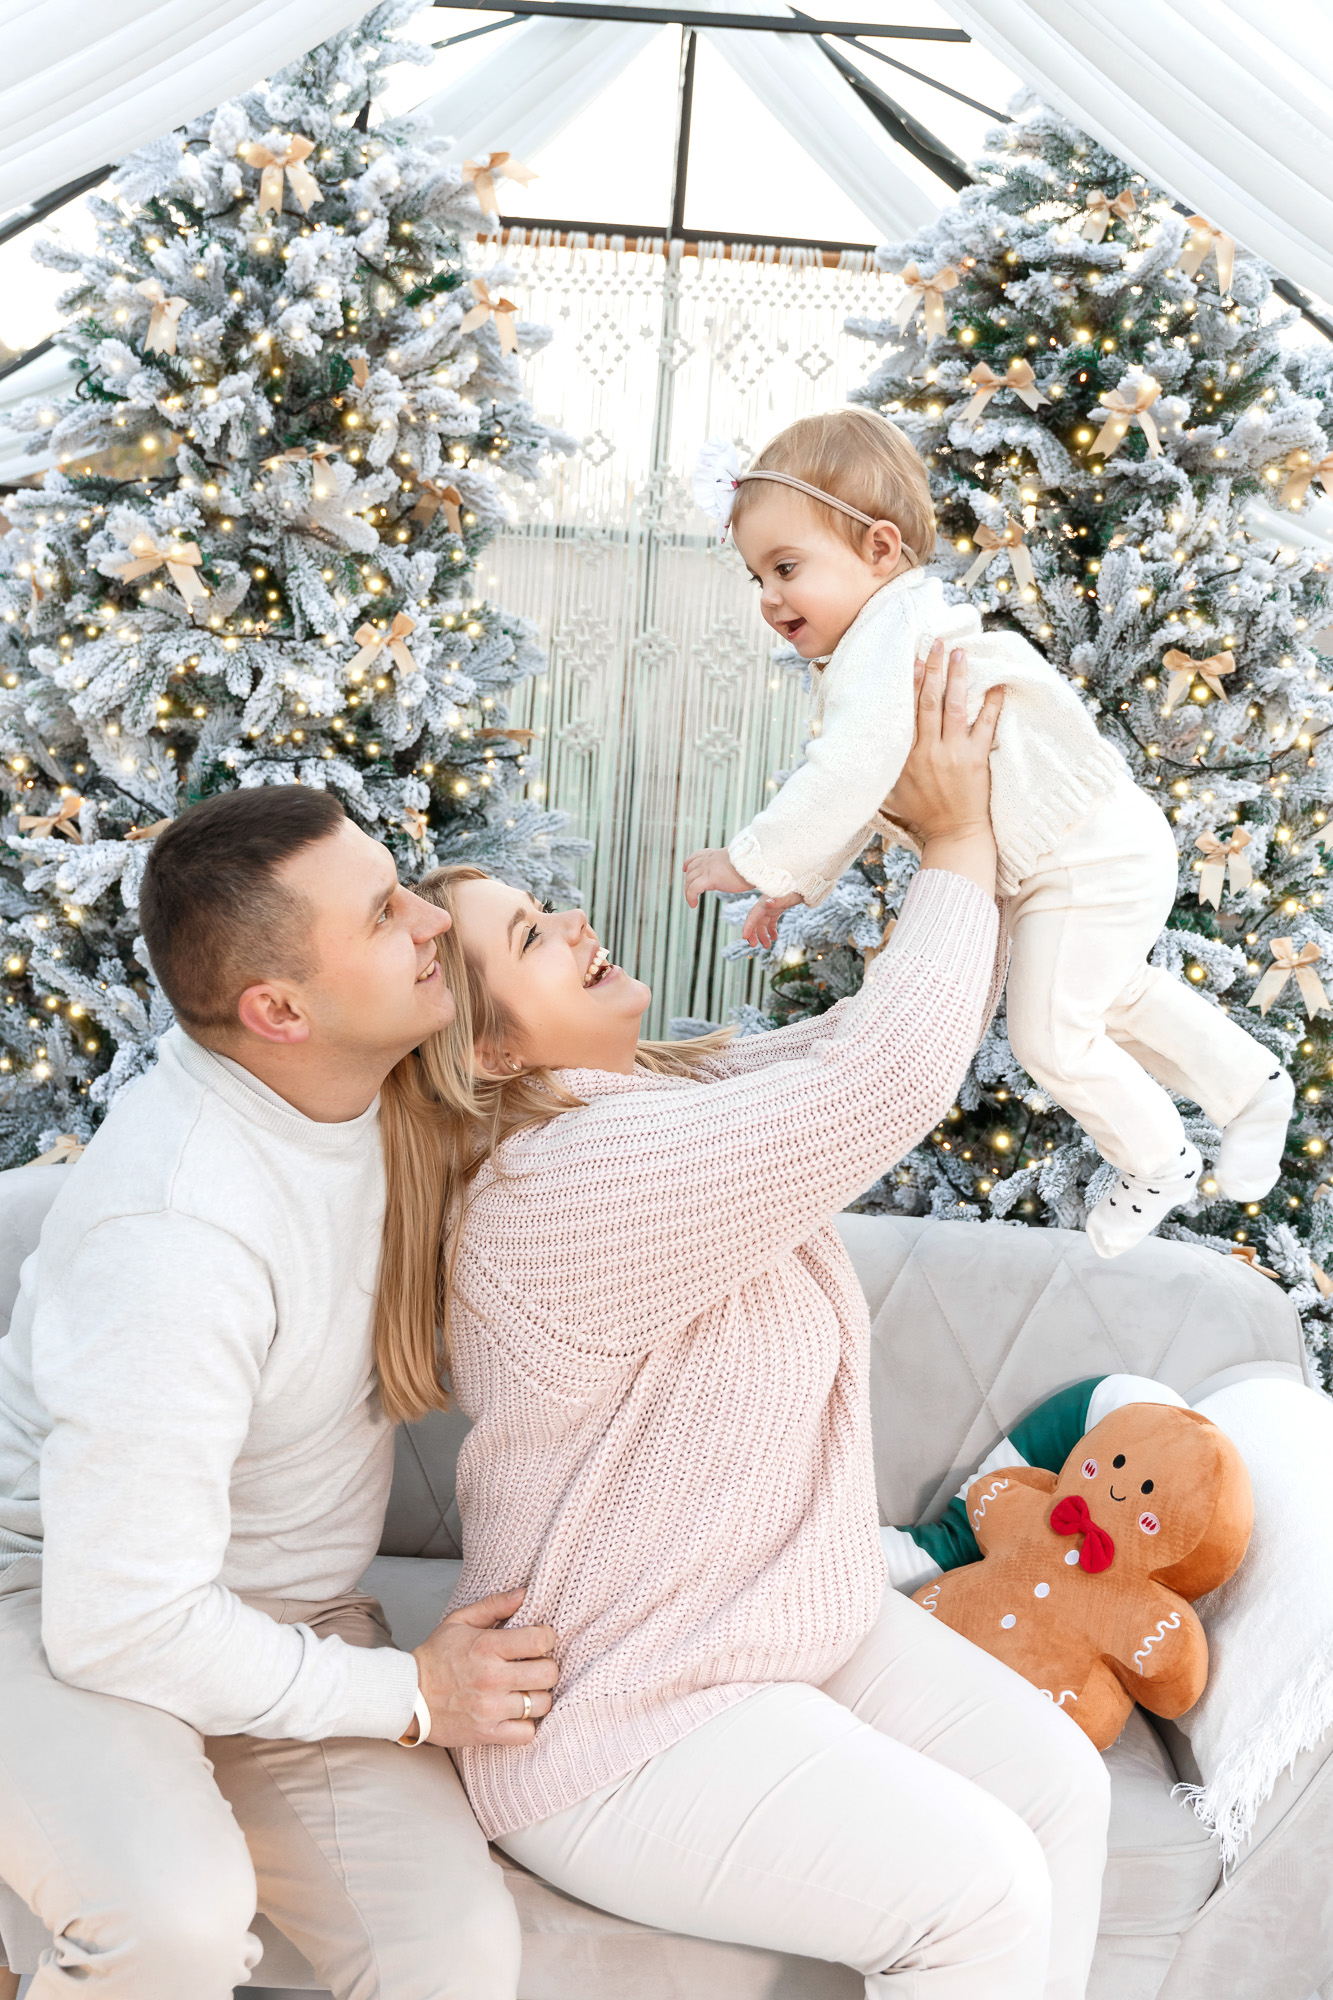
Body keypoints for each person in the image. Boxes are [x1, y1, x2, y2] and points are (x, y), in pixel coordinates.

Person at [379, 644, 1111, 1999]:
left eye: (545, 911)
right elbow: (883, 1082)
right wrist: (952, 840)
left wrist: (954, 831)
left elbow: (865, 1040)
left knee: (1061, 1789)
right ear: (490, 1049)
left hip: (769, 1622)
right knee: (981, 1894)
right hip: (624, 1713)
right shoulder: (557, 1189)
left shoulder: (657, 1105)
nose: (575, 923)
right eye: (531, 938)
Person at [0, 786, 558, 1999]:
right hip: (55, 1602)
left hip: (291, 1612)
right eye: (385, 914)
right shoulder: (177, 1230)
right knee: (173, 1920)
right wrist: (413, 1693)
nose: (431, 920)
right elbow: (121, 1622)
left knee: (450, 1950)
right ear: (279, 1010)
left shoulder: (377, 1088)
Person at [683, 410, 1291, 1258]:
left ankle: (1158, 1161)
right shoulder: (887, 634)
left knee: (1048, 1036)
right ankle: (1250, 1088)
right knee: (1107, 999)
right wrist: (796, 882)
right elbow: (869, 786)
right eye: (756, 576)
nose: (769, 597)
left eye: (786, 567)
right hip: (1088, 845)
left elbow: (847, 770)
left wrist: (751, 858)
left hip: (1082, 852)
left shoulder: (890, 637)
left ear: (879, 549)